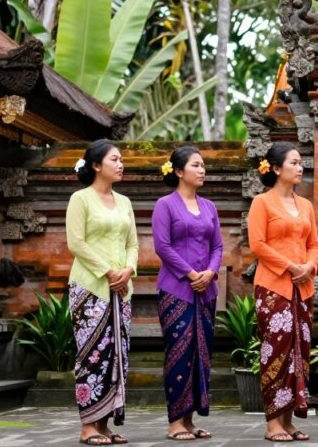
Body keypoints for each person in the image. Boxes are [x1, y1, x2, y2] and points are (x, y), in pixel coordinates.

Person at [65, 140, 138, 446]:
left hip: (122, 289)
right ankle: (88, 426)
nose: (120, 164)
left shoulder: (125, 203)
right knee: (93, 356)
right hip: (90, 288)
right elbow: (76, 243)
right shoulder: (80, 199)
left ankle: (105, 424)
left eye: (121, 160)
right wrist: (108, 272)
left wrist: (128, 270)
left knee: (116, 358)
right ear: (96, 165)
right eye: (114, 160)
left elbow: (133, 243)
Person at [247, 142, 318, 443]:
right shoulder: (261, 203)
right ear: (276, 168)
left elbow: (314, 244)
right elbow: (258, 245)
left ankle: (288, 420)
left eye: (301, 162)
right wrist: (291, 266)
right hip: (273, 286)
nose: (300, 167)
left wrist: (309, 267)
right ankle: (273, 422)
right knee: (275, 351)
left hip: (302, 288)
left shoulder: (306, 206)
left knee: (298, 353)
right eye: (293, 162)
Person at [152, 146, 223, 441]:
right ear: (179, 171)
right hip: (176, 289)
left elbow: (217, 246)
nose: (202, 170)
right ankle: (175, 422)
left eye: (203, 165)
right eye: (196, 165)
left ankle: (191, 419)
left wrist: (209, 273)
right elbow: (162, 246)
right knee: (179, 352)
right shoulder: (165, 205)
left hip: (206, 291)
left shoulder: (209, 207)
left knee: (201, 354)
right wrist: (191, 274)